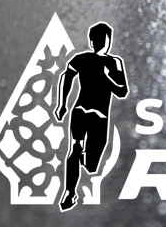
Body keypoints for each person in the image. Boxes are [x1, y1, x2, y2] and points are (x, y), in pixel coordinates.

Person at [51, 22, 129, 212]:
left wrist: (106, 78)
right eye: (99, 39)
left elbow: (122, 91)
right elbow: (66, 77)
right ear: (92, 40)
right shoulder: (82, 59)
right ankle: (70, 192)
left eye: (105, 39)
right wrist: (62, 104)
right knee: (75, 147)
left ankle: (83, 161)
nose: (102, 43)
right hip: (82, 111)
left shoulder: (114, 62)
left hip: (100, 117)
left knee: (91, 164)